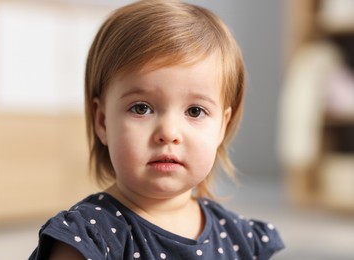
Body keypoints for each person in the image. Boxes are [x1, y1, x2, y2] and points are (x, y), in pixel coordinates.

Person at [29, 1, 284, 259]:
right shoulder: (87, 237)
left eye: (195, 111)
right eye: (141, 108)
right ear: (102, 121)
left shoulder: (239, 238)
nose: (169, 132)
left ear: (222, 126)